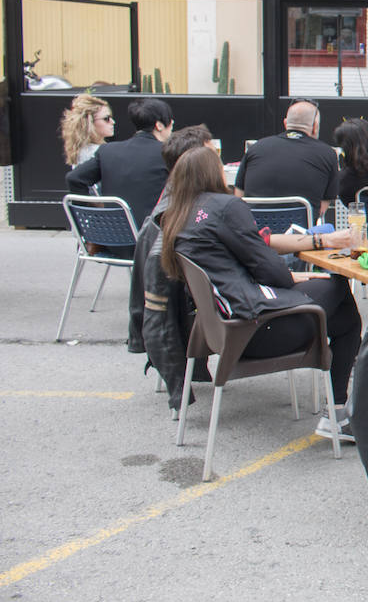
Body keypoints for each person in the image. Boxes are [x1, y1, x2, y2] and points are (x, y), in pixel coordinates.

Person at [130, 125, 353, 411]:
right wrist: (291, 274)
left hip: (214, 330)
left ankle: (338, 407)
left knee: (342, 312)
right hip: (251, 332)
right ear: (213, 171)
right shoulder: (225, 207)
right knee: (338, 289)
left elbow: (246, 254)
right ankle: (337, 405)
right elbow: (273, 273)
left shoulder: (175, 217)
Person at [66, 97, 174, 230]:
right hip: (151, 243)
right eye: (170, 123)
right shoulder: (168, 153)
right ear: (159, 125)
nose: (112, 122)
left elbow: (74, 178)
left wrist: (92, 214)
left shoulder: (107, 151)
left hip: (112, 237)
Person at [234, 98, 340, 224]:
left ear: (285, 123)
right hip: (300, 237)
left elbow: (238, 198)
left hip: (256, 236)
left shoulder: (255, 148)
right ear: (315, 126)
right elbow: (321, 210)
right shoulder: (328, 154)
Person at [60, 93, 115, 167]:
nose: (113, 122)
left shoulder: (82, 150)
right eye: (106, 118)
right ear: (89, 123)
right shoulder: (97, 153)